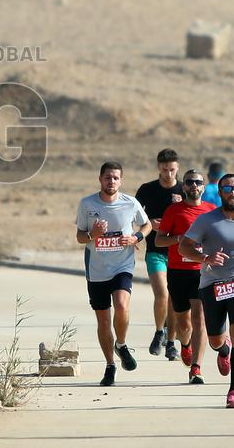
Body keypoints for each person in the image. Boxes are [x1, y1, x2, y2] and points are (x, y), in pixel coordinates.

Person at [179, 173, 234, 409]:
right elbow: (183, 247)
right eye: (227, 189)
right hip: (211, 284)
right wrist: (205, 257)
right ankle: (223, 348)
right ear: (220, 193)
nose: (232, 193)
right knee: (215, 339)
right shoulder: (207, 220)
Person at [76, 161, 151, 386]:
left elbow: (146, 225)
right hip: (97, 270)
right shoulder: (87, 204)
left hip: (122, 266)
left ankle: (122, 344)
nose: (111, 181)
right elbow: (80, 237)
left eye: (116, 178)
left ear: (121, 180)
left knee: (121, 305)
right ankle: (110, 365)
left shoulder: (130, 203)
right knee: (103, 320)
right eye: (108, 177)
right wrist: (93, 234)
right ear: (100, 179)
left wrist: (136, 238)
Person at [155, 169, 216, 384]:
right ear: (184, 186)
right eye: (189, 182)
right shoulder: (173, 211)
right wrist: (178, 239)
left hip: (201, 272)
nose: (194, 186)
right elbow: (158, 241)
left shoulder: (211, 211)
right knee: (183, 323)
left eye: (198, 182)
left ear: (203, 186)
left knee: (200, 318)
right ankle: (185, 344)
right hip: (177, 272)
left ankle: (196, 369)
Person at [135, 148, 183, 360]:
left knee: (174, 297)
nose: (168, 173)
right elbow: (133, 215)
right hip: (155, 251)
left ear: (177, 167)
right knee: (162, 294)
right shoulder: (147, 189)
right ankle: (158, 332)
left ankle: (171, 341)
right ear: (158, 167)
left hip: (178, 253)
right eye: (165, 169)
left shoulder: (184, 190)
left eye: (172, 169)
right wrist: (147, 226)